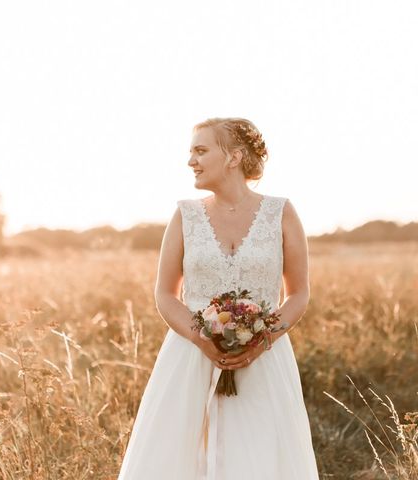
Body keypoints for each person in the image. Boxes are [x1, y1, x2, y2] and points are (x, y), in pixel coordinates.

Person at [116, 117, 319, 479]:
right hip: (189, 357)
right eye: (191, 152)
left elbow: (299, 292)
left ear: (234, 157)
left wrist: (263, 339)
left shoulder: (280, 212)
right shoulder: (185, 216)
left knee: (258, 458)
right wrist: (201, 338)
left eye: (200, 150)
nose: (190, 161)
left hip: (262, 361)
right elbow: (165, 293)